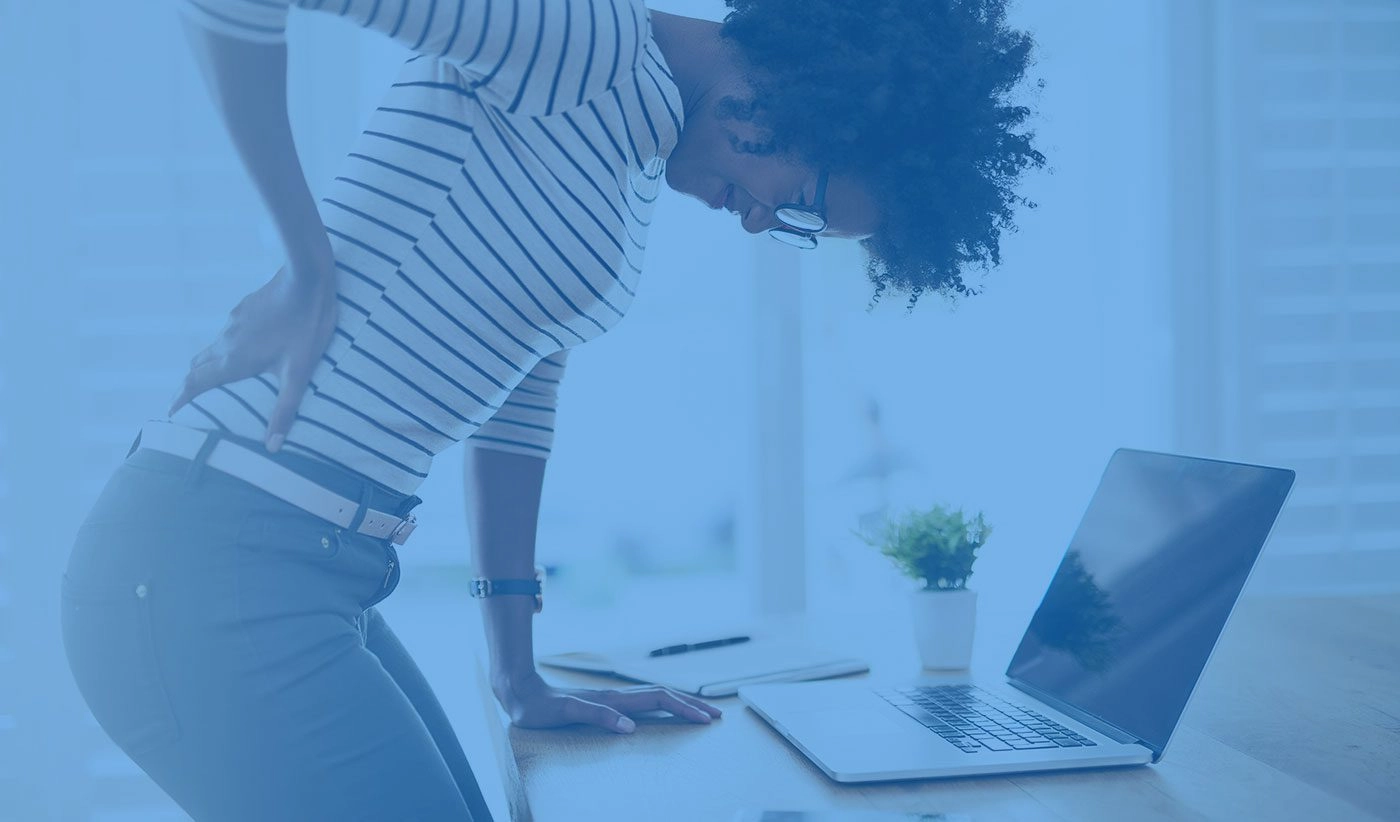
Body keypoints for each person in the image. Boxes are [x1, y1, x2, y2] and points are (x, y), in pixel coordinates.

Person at [60, 0, 1043, 819]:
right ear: (813, 99)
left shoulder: (631, 165)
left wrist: (516, 670)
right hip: (209, 564)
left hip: (320, 572)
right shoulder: (582, 41)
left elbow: (516, 408)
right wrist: (302, 260)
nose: (759, 223)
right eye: (800, 207)